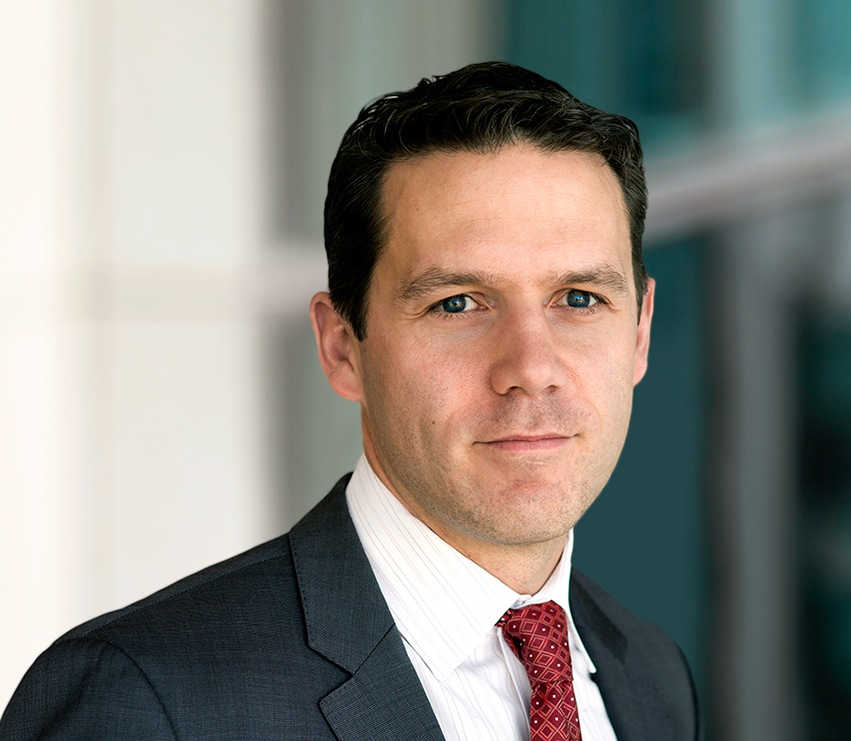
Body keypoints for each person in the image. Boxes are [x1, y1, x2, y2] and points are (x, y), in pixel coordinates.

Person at [1, 61, 698, 740]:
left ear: (639, 332)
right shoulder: (146, 699)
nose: (531, 369)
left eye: (579, 298)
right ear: (342, 347)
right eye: (458, 303)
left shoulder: (649, 675)